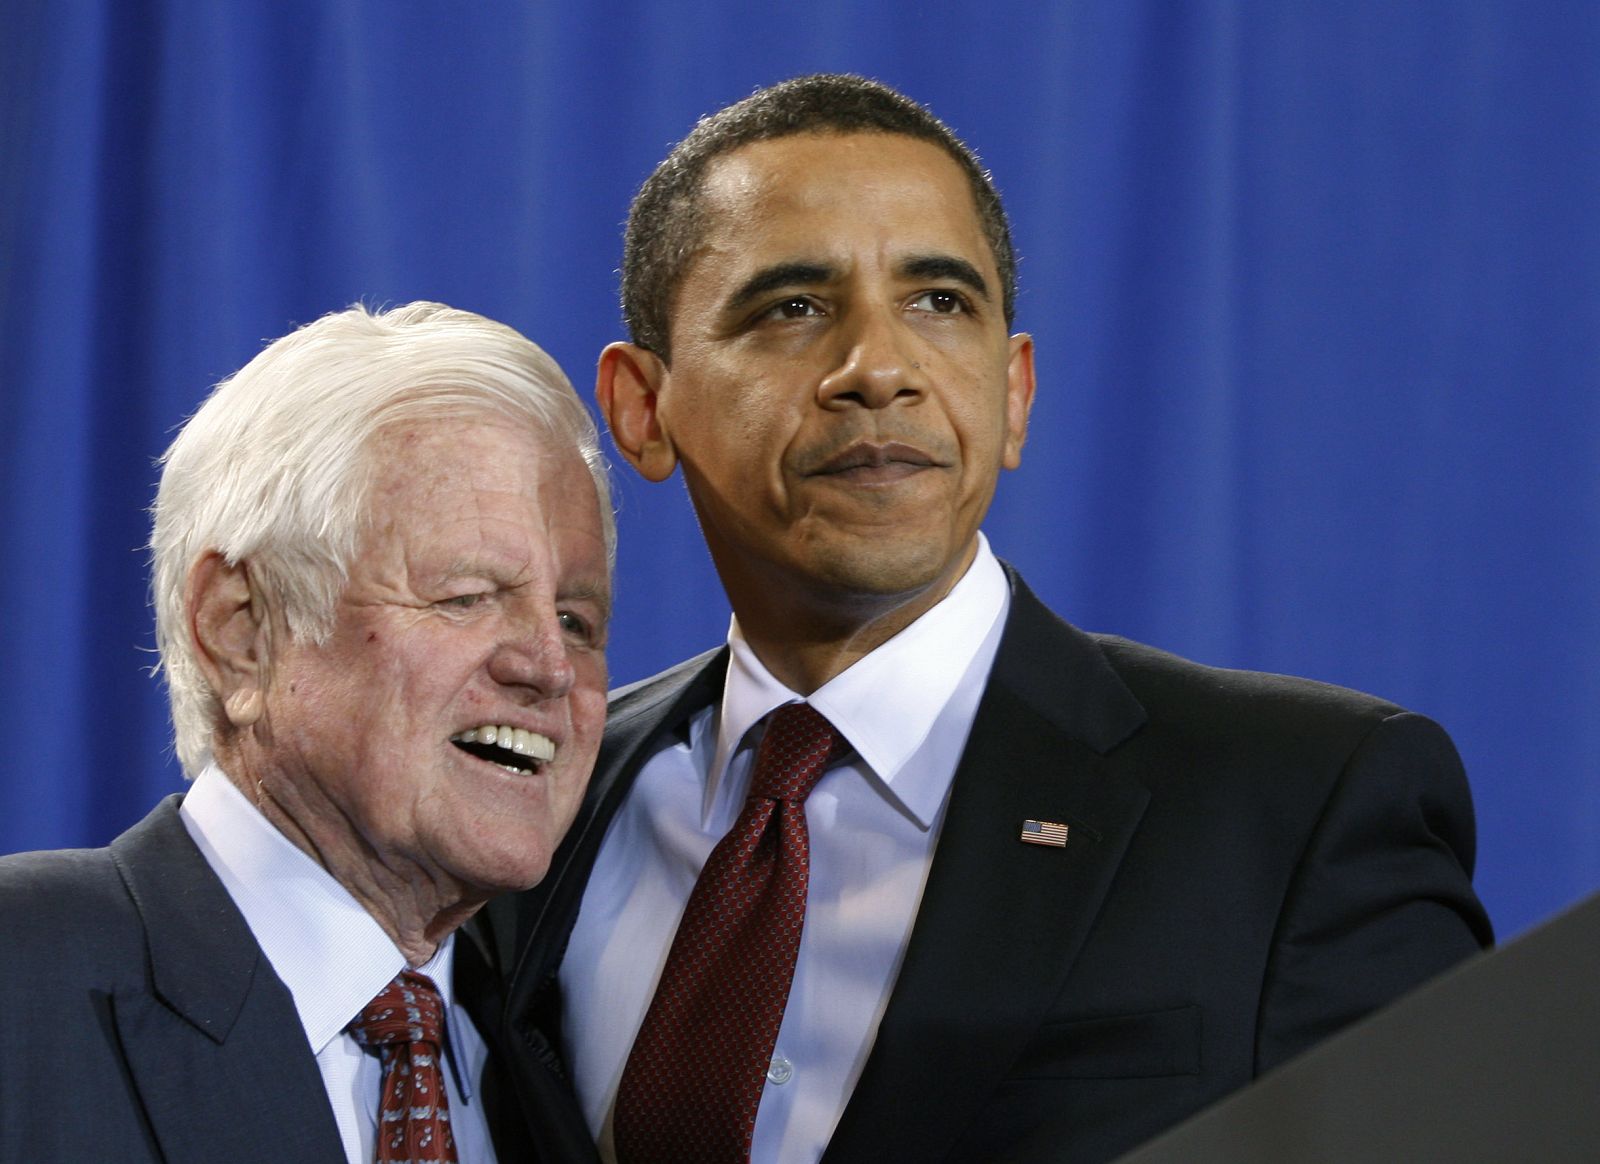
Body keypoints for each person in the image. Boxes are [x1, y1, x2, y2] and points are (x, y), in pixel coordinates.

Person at [496, 75, 1492, 1164]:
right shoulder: (542, 800)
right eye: (792, 307)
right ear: (643, 408)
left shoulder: (1301, 805)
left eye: (939, 302)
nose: (877, 369)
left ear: (1012, 394)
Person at [0, 302, 613, 1164]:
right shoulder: (23, 982)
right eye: (467, 596)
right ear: (243, 630)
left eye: (579, 620)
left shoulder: (560, 1070)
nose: (551, 668)